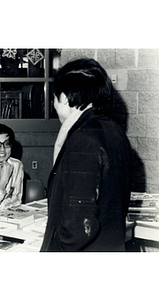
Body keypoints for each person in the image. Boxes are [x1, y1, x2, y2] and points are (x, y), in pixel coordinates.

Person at [40, 58, 132, 251]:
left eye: (54, 99)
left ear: (64, 97)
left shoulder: (83, 139)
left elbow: (78, 228)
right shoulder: (114, 131)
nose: (55, 106)